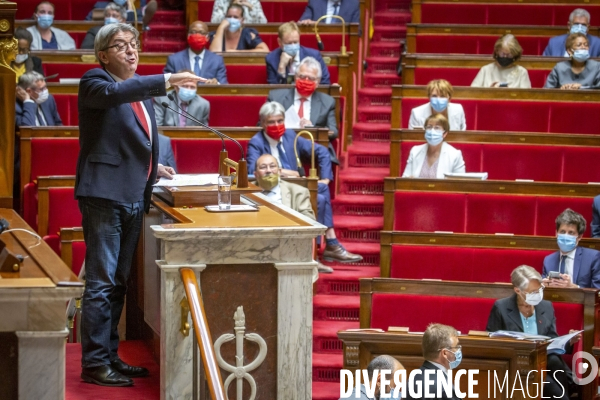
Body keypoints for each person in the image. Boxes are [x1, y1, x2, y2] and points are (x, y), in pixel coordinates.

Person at [76, 22, 203, 387]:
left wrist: (153, 167)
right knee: (100, 283)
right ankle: (94, 362)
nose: (131, 51)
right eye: (120, 46)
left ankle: (110, 357)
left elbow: (132, 140)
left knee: (118, 282)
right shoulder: (95, 81)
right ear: (103, 55)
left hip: (134, 194)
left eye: (134, 45)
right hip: (104, 196)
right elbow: (116, 95)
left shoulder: (139, 94)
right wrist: (168, 79)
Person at [247, 102, 363, 264]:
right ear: (263, 123)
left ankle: (321, 249)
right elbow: (252, 170)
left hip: (297, 186)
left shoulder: (289, 136)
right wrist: (284, 172)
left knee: (321, 187)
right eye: (271, 122)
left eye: (280, 121)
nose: (277, 125)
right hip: (275, 186)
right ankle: (327, 246)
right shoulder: (257, 142)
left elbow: (322, 151)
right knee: (320, 199)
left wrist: (326, 178)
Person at [487, 265, 581, 400]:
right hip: (518, 363)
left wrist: (568, 341)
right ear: (517, 290)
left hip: (545, 361)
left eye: (539, 290)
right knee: (554, 388)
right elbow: (491, 342)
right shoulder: (501, 307)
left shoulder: (546, 306)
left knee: (554, 362)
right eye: (532, 292)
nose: (537, 295)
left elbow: (552, 340)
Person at [254, 153, 332, 274]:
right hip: (254, 247)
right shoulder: (246, 193)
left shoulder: (298, 192)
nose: (268, 171)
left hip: (288, 247)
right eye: (263, 167)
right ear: (255, 174)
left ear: (279, 171)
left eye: (272, 166)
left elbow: (309, 220)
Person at [267, 57, 338, 164]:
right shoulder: (276, 97)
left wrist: (313, 128)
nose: (306, 81)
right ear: (295, 77)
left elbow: (333, 131)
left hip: (310, 149)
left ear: (318, 82)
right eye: (302, 77)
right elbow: (261, 124)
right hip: (280, 144)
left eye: (311, 78)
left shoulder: (327, 102)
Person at [542, 208, 600, 289]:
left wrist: (573, 287)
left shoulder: (593, 258)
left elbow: (598, 292)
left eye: (571, 233)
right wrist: (544, 287)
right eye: (562, 232)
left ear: (579, 236)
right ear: (556, 233)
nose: (566, 236)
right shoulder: (549, 260)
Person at [403, 323, 463, 400]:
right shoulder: (445, 390)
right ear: (445, 353)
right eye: (456, 347)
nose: (459, 351)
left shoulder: (413, 378)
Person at [164, 21, 228, 84]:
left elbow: (224, 85)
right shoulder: (174, 60)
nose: (197, 35)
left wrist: (216, 84)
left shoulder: (217, 60)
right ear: (188, 36)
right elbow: (165, 84)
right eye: (193, 32)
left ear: (207, 38)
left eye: (201, 33)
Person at [265, 21, 330, 84]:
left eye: (296, 42)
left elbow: (325, 83)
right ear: (279, 42)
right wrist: (281, 67)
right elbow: (273, 89)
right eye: (289, 43)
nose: (293, 46)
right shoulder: (271, 59)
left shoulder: (314, 55)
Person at [402, 114, 465, 179]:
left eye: (437, 128)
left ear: (445, 133)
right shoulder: (415, 151)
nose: (432, 131)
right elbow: (404, 180)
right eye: (429, 127)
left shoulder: (455, 155)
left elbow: (460, 184)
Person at [85, 0, 158, 31]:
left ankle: (145, 13)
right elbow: (84, 24)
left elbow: (137, 28)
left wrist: (130, 8)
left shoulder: (134, 11)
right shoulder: (99, 5)